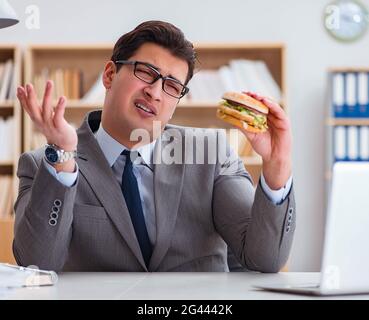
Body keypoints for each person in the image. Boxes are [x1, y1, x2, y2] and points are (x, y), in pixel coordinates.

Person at [13, 20, 295, 272]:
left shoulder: (212, 153)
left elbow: (265, 259)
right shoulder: (44, 164)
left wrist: (277, 164)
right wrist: (62, 156)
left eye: (172, 86)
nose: (155, 92)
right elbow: (37, 263)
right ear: (110, 75)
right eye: (146, 72)